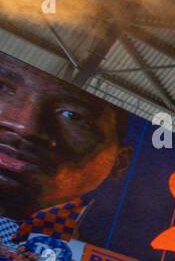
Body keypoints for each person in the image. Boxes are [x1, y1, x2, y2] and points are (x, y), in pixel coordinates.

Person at [0, 50, 132, 244]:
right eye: (2, 88)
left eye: (73, 116)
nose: (26, 127)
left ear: (119, 163)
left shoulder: (66, 258)